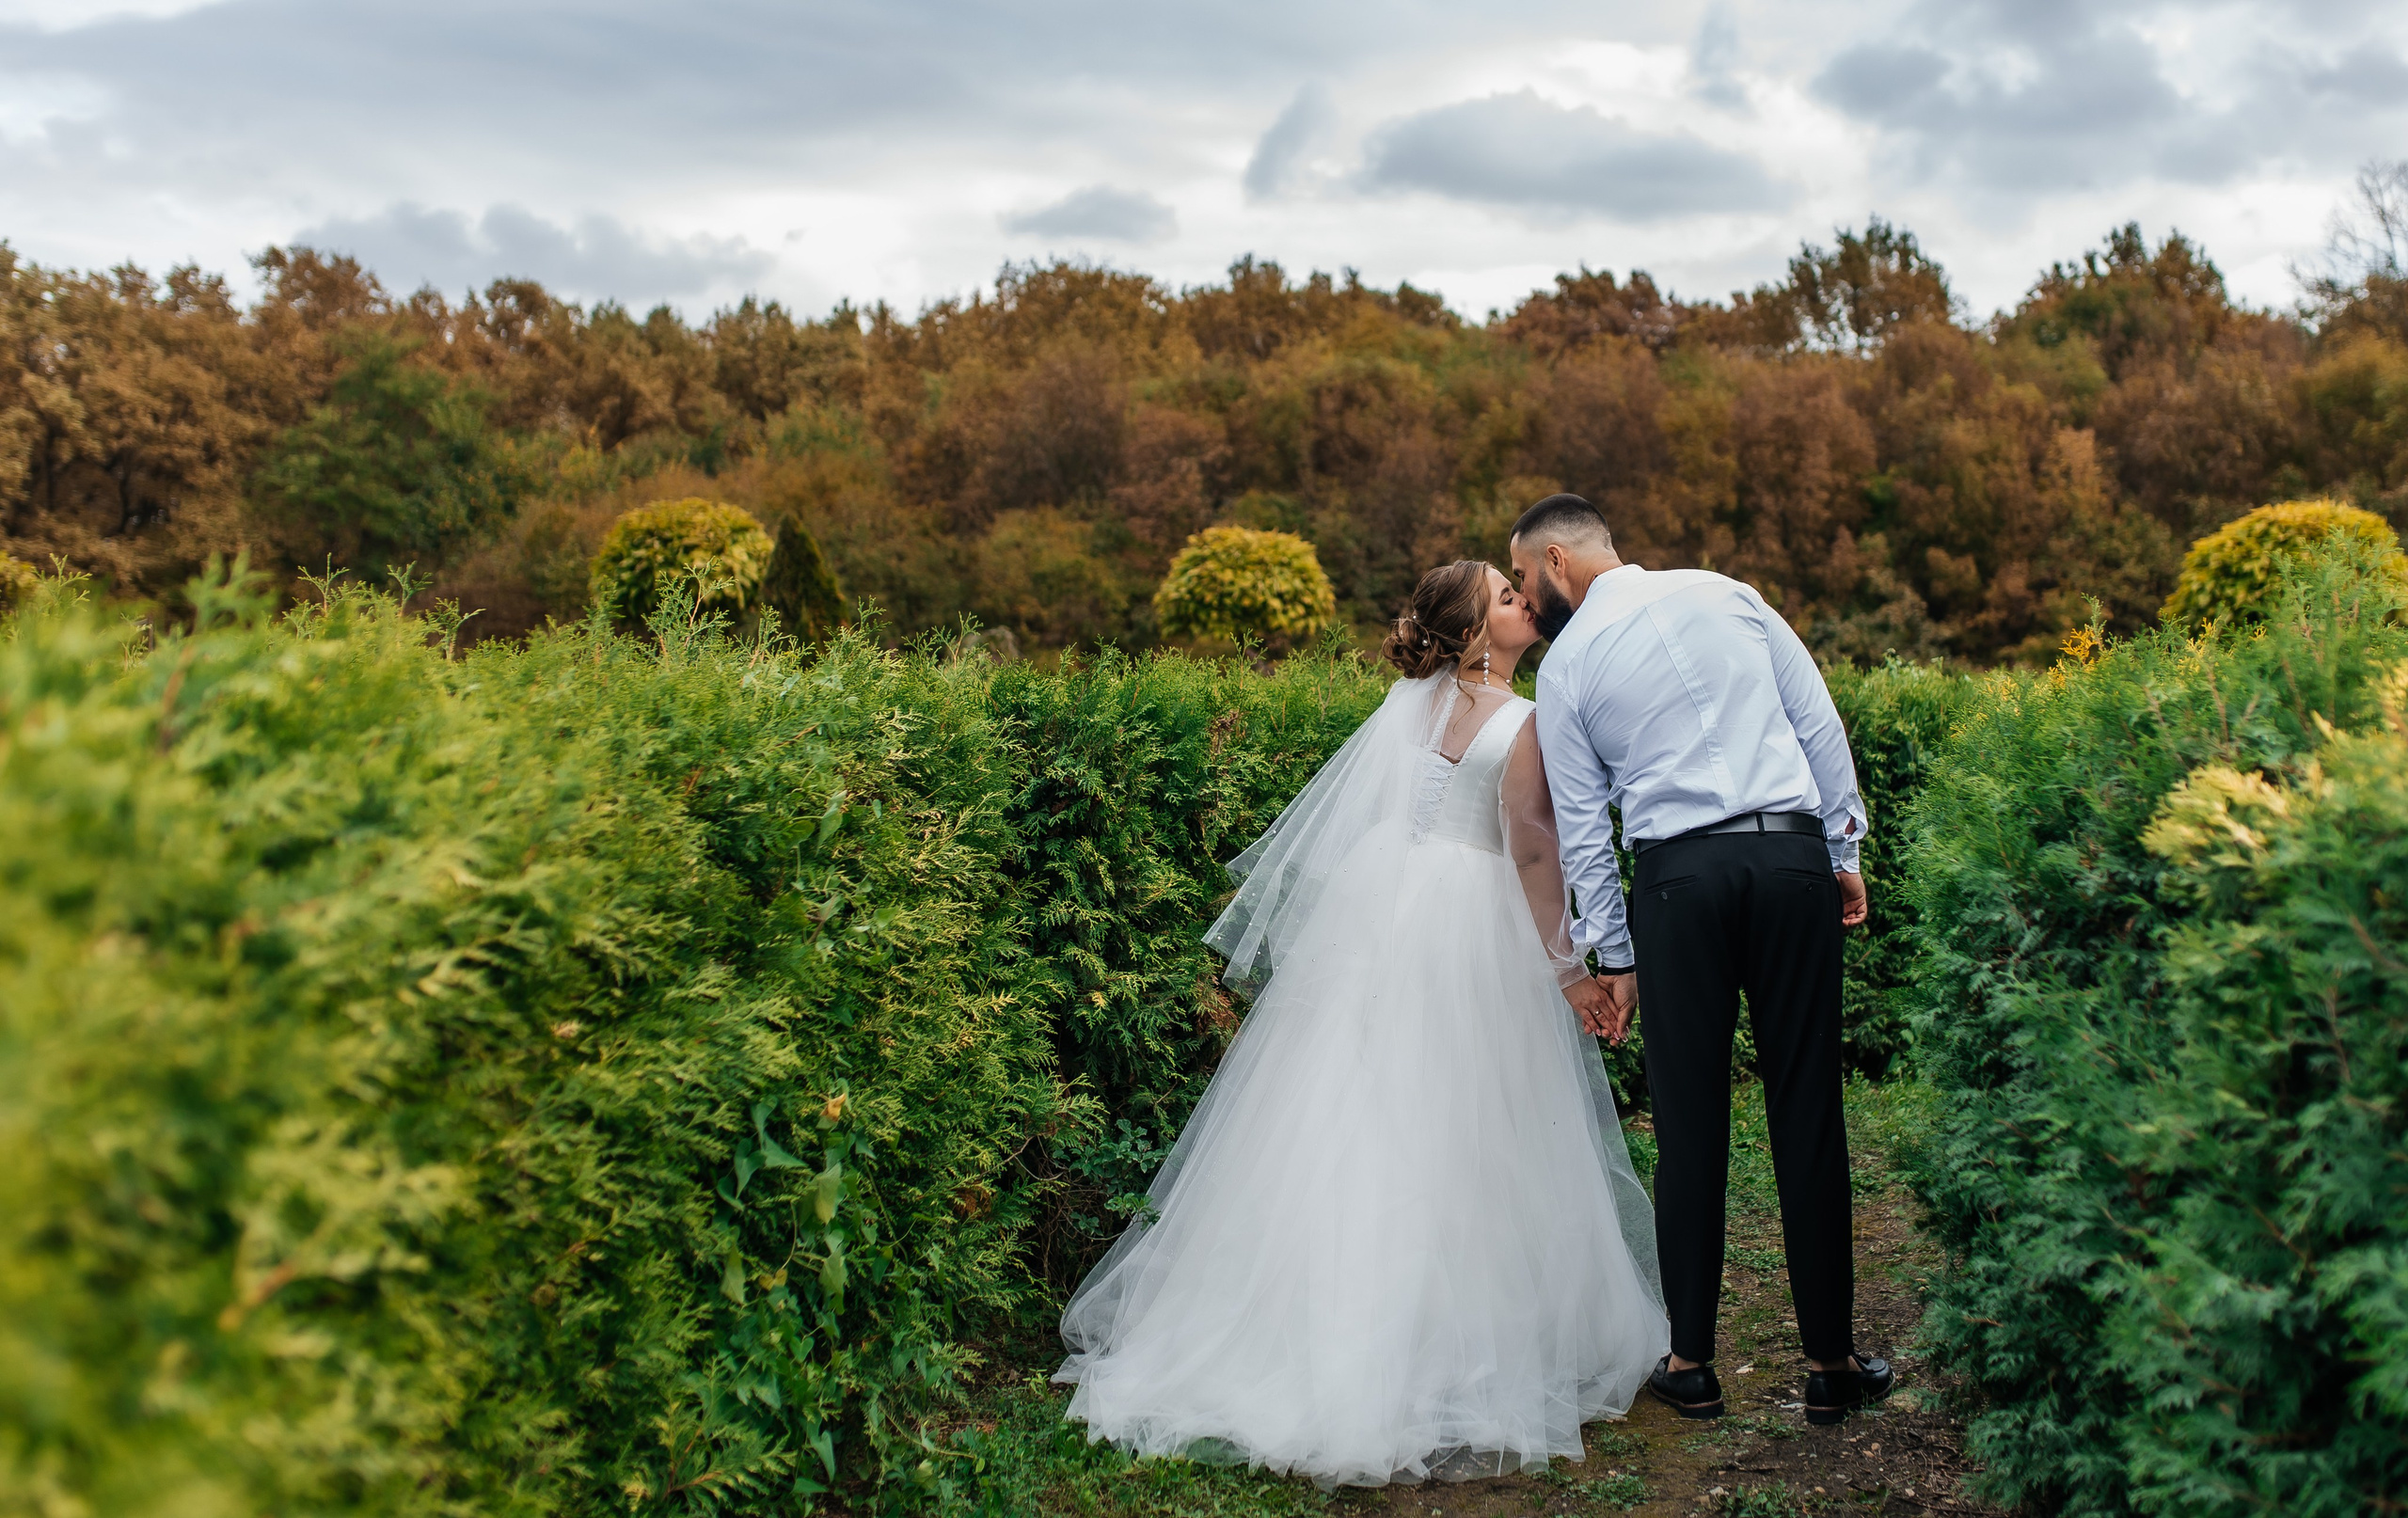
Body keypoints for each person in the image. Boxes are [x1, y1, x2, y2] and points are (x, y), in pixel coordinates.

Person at [1055, 560, 1668, 1489]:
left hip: (1382, 908)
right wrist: (1569, 967)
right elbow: (1535, 848)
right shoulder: (1525, 722)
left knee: (1351, 1103)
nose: (1522, 605)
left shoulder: (1407, 709)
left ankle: (1313, 1328)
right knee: (1468, 1119)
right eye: (1505, 598)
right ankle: (1444, 1346)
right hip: (1470, 924)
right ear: (1472, 636)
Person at [1506, 493, 1890, 1429]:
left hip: (1679, 881)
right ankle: (1830, 1364)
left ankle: (1690, 1364)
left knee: (1690, 1120)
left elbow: (1587, 829)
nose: (1524, 594)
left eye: (1521, 576)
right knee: (1808, 1105)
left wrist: (1616, 952)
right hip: (1790, 857)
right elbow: (1819, 725)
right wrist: (1840, 849)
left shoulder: (1566, 671)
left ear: (1557, 561)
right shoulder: (1731, 596)